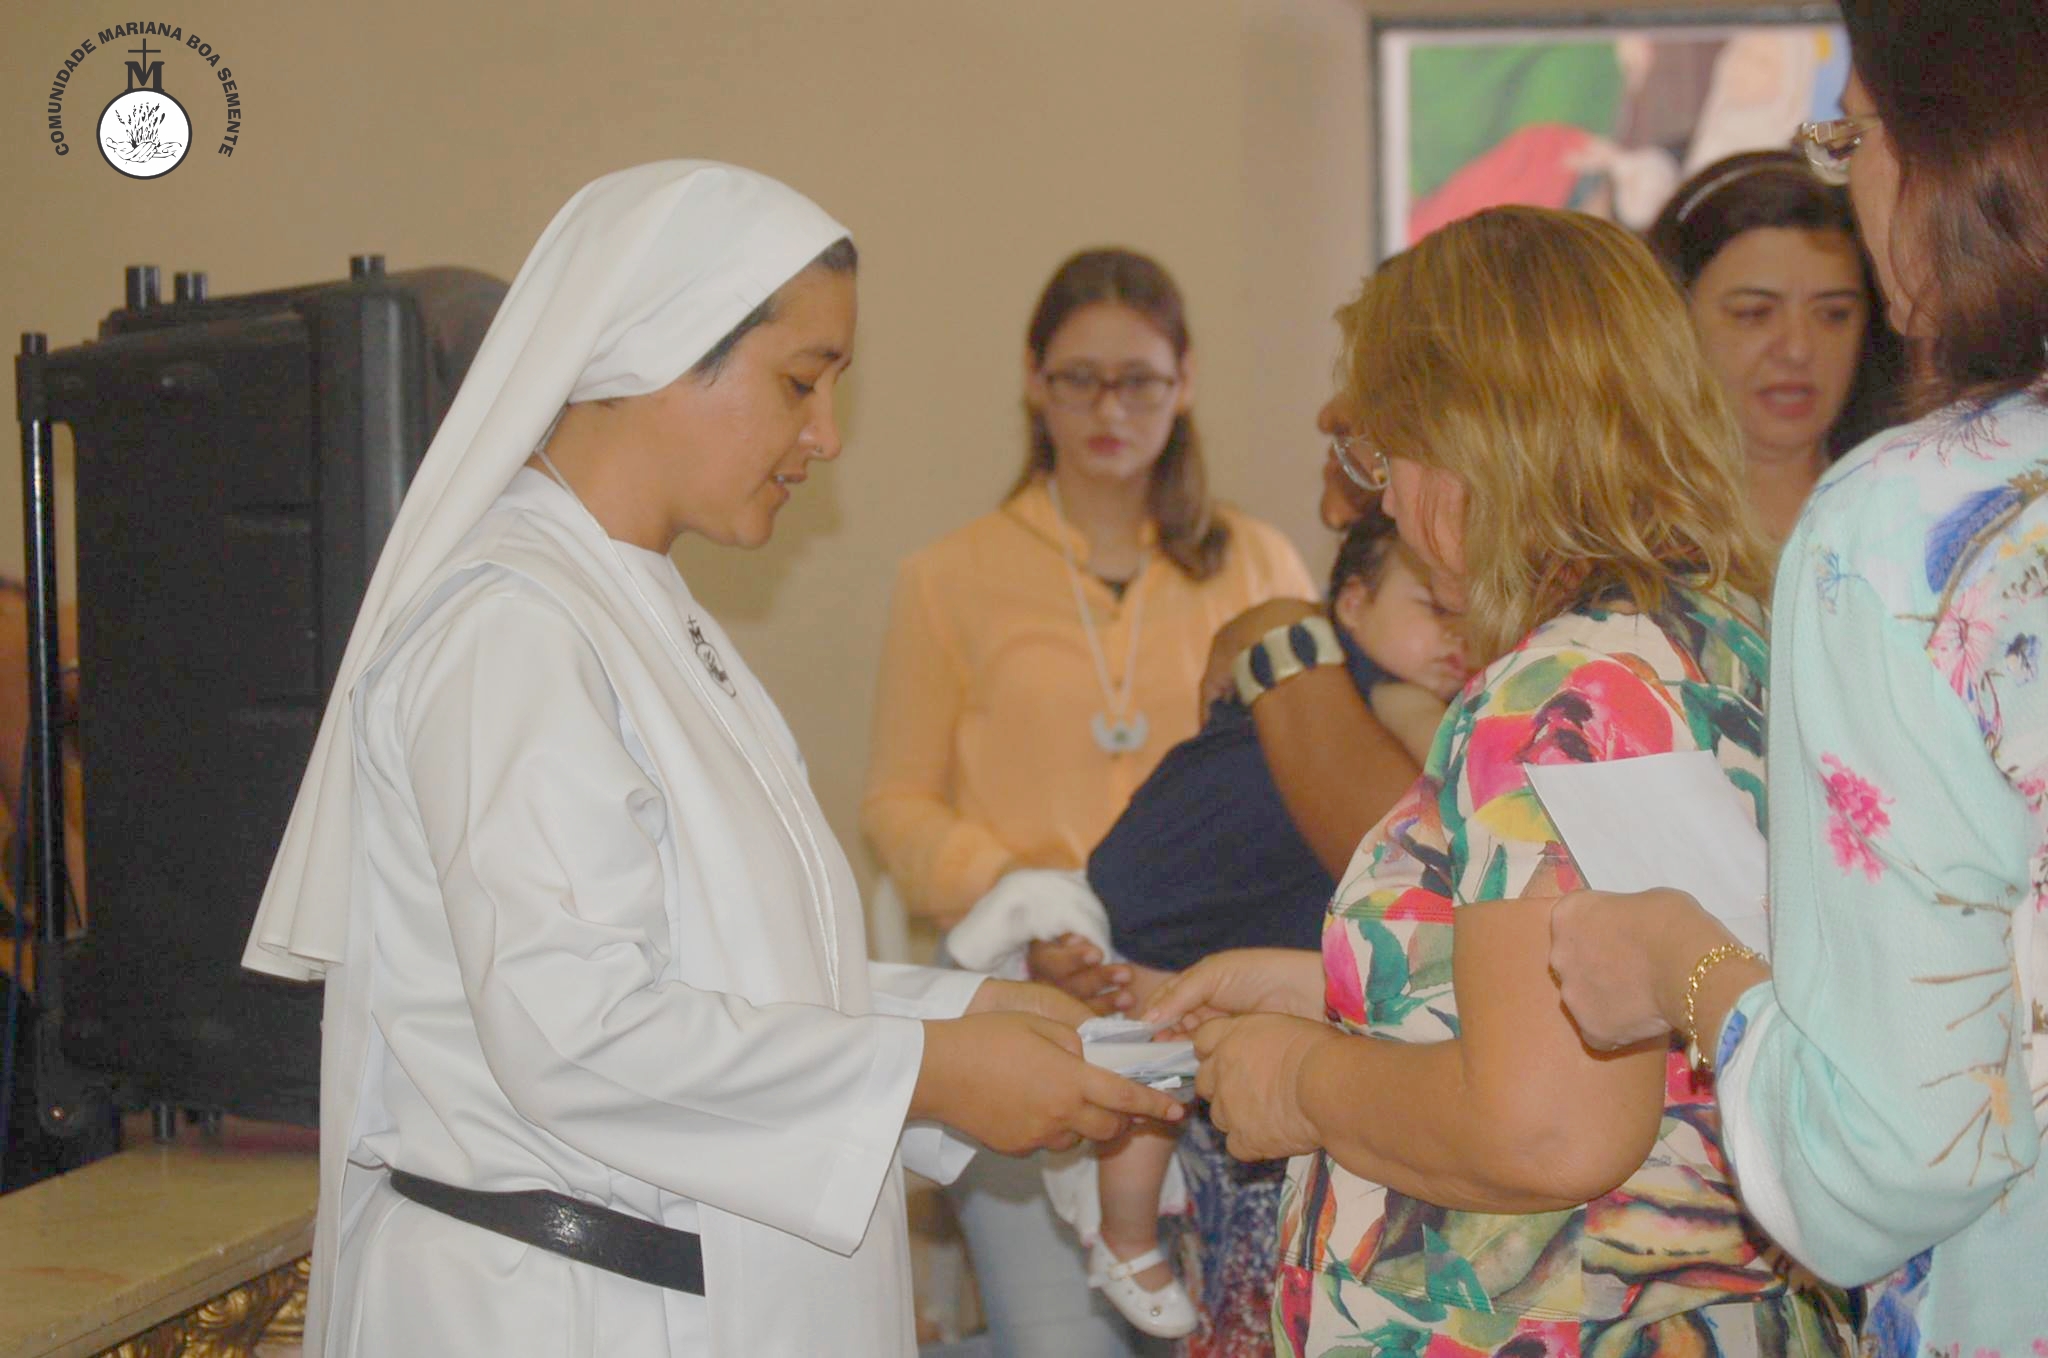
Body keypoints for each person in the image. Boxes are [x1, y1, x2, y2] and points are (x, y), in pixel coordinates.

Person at [238, 162, 1183, 1358]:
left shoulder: (639, 607)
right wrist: (927, 1069)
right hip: (561, 1309)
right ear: (660, 345)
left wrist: (969, 1009)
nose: (826, 435)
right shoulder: (510, 628)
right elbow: (577, 1031)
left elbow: (728, 966)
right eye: (801, 381)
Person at [1147, 206, 1855, 1357]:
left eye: (1388, 450)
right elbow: (1617, 1000)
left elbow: (1549, 1127)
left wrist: (1303, 1078)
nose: (1381, 496)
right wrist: (1340, 990)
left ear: (1479, 438)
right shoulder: (1716, 632)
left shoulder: (1553, 694)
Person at [1547, 4, 2048, 1354]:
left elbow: (1892, 1150)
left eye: (1855, 136)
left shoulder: (1903, 533)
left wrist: (1683, 962)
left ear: (1955, 158)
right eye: (1751, 312)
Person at [861, 248, 1315, 1356]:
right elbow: (897, 805)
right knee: (1058, 1341)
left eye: (1139, 382)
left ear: (1185, 383)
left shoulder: (1258, 566)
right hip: (1030, 984)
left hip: (1225, 995)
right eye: (1079, 380)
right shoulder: (949, 576)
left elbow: (1315, 789)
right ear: (1033, 381)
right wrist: (1029, 901)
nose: (1110, 411)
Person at [1646, 149, 1903, 540]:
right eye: (1754, 313)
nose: (1798, 349)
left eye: (1834, 314)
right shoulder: (1616, 536)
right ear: (1673, 319)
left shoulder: (1920, 512)